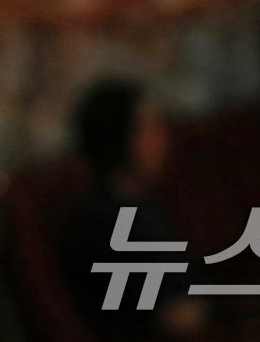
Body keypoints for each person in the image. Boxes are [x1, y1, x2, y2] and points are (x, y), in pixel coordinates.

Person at [60, 81, 207, 342]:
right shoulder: (104, 225)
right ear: (117, 139)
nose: (162, 139)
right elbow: (179, 318)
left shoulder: (143, 206)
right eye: (148, 129)